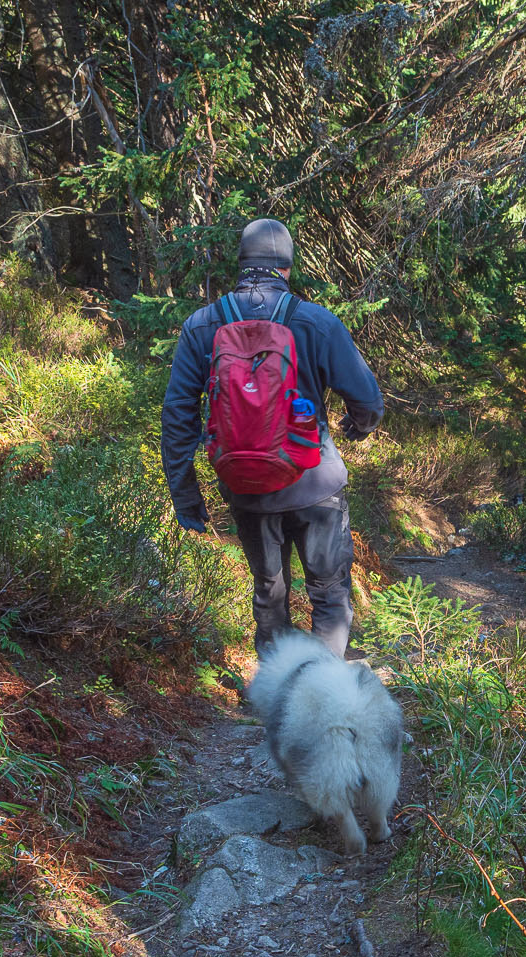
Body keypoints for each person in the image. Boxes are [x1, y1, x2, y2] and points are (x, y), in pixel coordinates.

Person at [160, 218, 384, 658]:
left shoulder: (203, 325)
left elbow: (178, 415)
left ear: (242, 264)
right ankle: (321, 702)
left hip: (246, 486)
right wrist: (359, 426)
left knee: (269, 594)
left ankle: (278, 705)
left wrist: (186, 498)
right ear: (287, 266)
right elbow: (368, 398)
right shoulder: (315, 321)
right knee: (329, 593)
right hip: (315, 482)